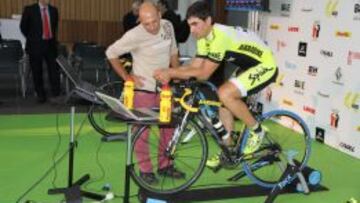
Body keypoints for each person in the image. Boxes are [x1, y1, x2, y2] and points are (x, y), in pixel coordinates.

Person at [154, 1, 278, 168]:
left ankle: (257, 130)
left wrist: (171, 72)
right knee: (222, 101)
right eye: (189, 25)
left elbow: (204, 74)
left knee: (226, 93)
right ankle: (227, 150)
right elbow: (194, 67)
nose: (191, 30)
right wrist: (173, 75)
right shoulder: (204, 38)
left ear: (208, 20)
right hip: (247, 66)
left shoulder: (220, 36)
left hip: (265, 65)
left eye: (195, 24)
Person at [106, 1, 185, 184]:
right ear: (139, 20)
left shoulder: (168, 26)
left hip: (165, 89)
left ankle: (165, 165)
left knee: (169, 128)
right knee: (142, 133)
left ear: (160, 13)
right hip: (143, 90)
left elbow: (173, 51)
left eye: (154, 21)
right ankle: (146, 170)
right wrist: (127, 77)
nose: (151, 27)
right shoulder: (134, 35)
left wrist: (178, 74)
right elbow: (111, 52)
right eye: (145, 23)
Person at [20, 0, 60, 103]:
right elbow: (23, 27)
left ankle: (56, 93)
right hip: (35, 46)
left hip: (50, 45)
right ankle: (40, 94)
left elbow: (54, 27)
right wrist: (32, 38)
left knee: (54, 70)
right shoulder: (30, 10)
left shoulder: (54, 10)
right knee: (37, 71)